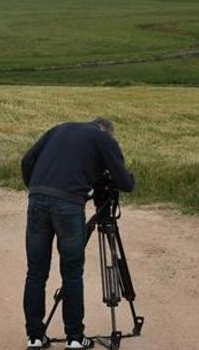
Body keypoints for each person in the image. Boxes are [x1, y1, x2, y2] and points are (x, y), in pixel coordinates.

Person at [21, 117, 135, 350]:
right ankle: (74, 338)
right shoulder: (104, 139)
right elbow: (124, 182)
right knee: (72, 273)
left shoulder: (58, 128)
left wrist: (37, 187)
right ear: (108, 132)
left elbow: (26, 161)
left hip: (37, 200)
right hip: (68, 205)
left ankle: (35, 337)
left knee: (36, 271)